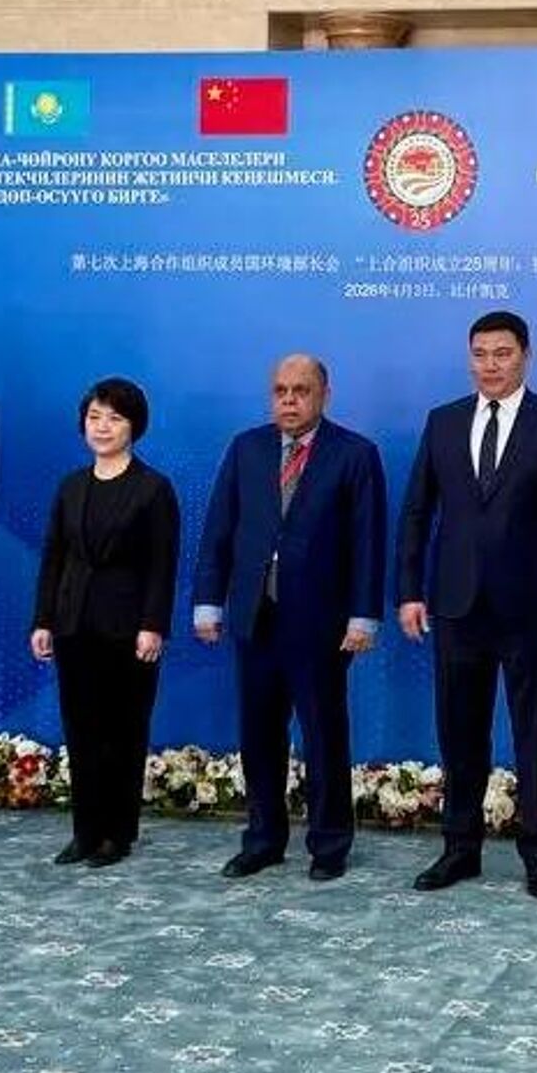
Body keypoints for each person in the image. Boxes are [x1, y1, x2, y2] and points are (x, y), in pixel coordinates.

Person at [395, 311, 537, 898]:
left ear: (526, 356)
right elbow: (416, 512)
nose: (490, 365)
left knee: (534, 736)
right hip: (456, 606)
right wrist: (409, 591)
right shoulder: (443, 421)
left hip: (532, 611)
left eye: (502, 354)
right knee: (460, 736)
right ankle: (460, 849)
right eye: (480, 354)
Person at [192, 355, 385, 882]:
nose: (289, 400)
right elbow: (219, 529)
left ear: (324, 394)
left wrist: (364, 616)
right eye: (280, 391)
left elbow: (368, 542)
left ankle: (329, 845)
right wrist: (208, 600)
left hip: (321, 624)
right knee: (259, 736)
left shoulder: (355, 454)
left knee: (324, 735)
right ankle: (263, 840)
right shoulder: (246, 448)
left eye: (301, 390)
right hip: (254, 617)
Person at [30, 378, 178, 869]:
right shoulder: (71, 486)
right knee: (81, 730)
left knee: (124, 730)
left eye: (114, 418)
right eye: (94, 417)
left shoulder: (153, 489)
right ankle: (85, 832)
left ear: (134, 426)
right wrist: (43, 620)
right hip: (73, 624)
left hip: (129, 628)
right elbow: (53, 557)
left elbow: (162, 564)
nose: (102, 427)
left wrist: (153, 625)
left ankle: (118, 833)